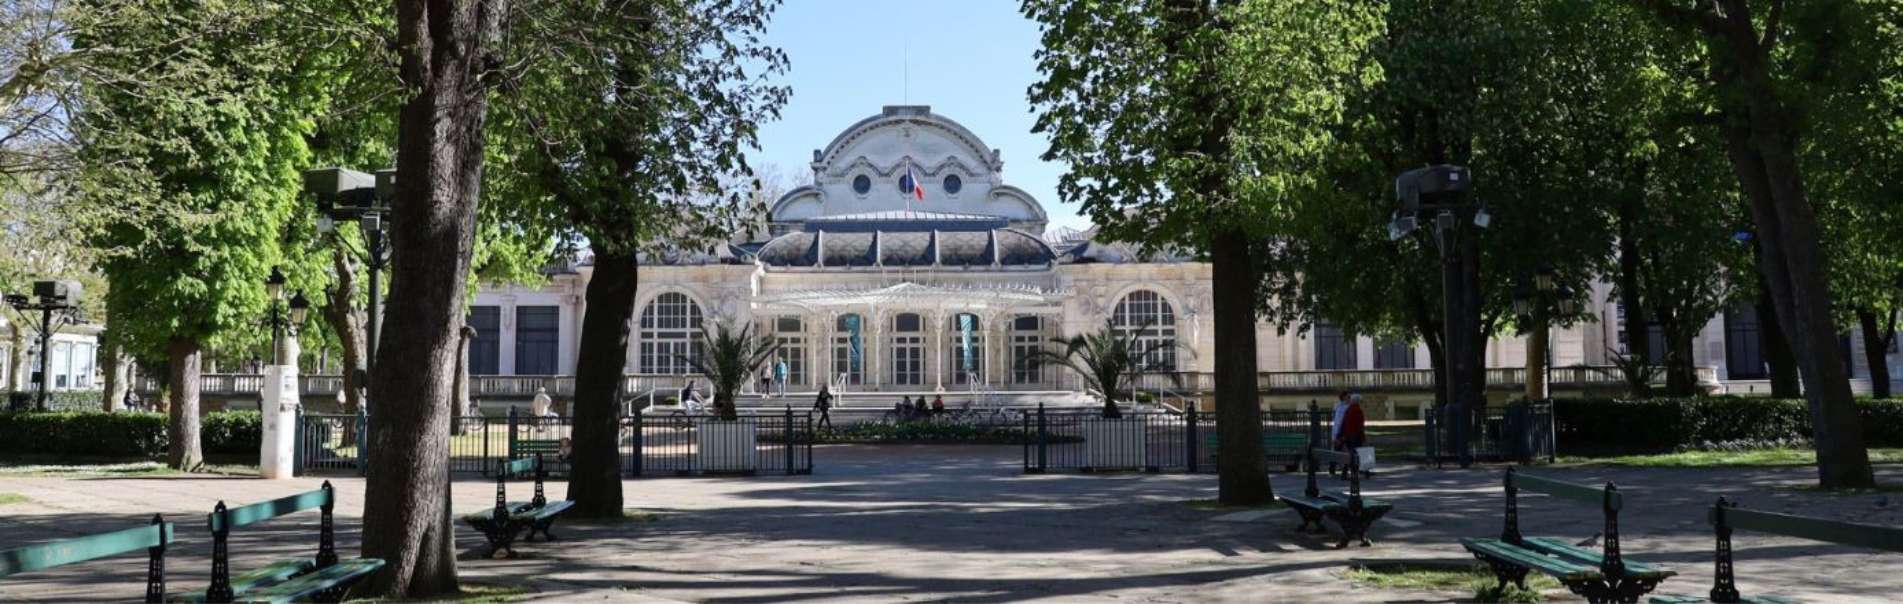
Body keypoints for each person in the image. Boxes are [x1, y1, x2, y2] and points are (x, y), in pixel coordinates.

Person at [1339, 393, 1368, 475]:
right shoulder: (1357, 410)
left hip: (1347, 435)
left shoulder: (1348, 410)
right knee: (1355, 453)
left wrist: (1341, 434)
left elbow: (1343, 423)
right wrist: (1363, 436)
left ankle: (1347, 471)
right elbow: (1360, 425)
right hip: (1355, 435)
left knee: (1350, 453)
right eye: (1360, 401)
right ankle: (1355, 471)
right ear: (1357, 401)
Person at [1329, 391, 1350, 476]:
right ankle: (1343, 471)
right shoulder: (1344, 408)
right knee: (1347, 451)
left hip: (1339, 433)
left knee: (1337, 451)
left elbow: (1336, 422)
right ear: (1344, 398)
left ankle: (1332, 469)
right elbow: (1339, 422)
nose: (1349, 398)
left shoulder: (1338, 407)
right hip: (1342, 433)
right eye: (1348, 397)